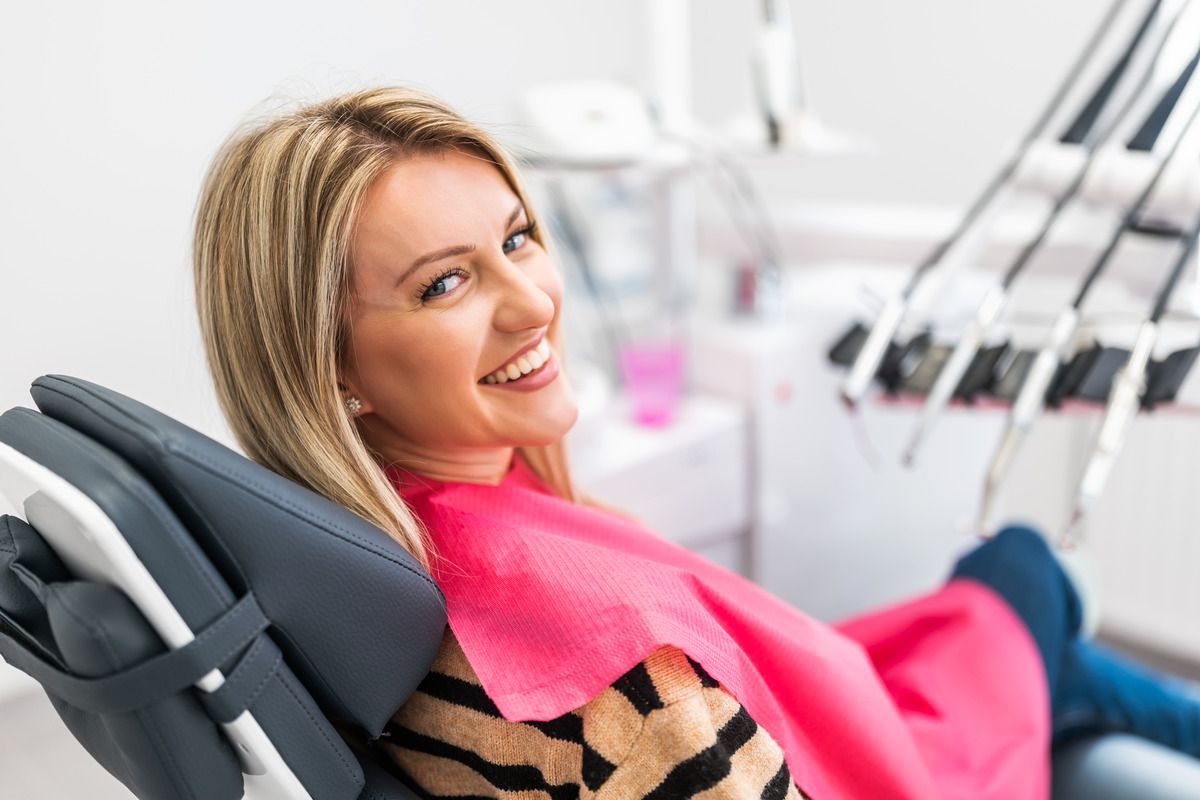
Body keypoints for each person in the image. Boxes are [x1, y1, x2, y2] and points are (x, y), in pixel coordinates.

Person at [192, 86, 1200, 799]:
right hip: (898, 770)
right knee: (1026, 568)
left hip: (833, 718)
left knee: (1020, 594)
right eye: (445, 283)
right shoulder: (625, 685)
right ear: (332, 370)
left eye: (516, 239)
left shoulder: (385, 556)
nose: (532, 301)